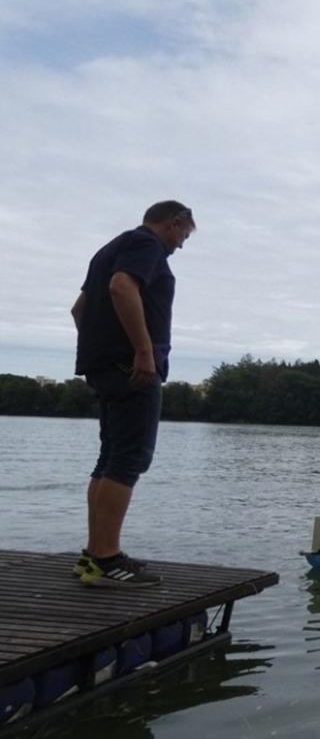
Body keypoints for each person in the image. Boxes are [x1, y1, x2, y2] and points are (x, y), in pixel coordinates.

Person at [70, 201, 197, 588]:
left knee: (110, 458)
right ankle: (105, 559)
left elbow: (79, 310)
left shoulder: (109, 249)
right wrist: (142, 351)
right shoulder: (147, 245)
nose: (181, 244)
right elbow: (121, 286)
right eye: (184, 234)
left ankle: (95, 552)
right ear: (173, 223)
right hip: (132, 367)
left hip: (105, 365)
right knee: (129, 459)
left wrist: (101, 348)